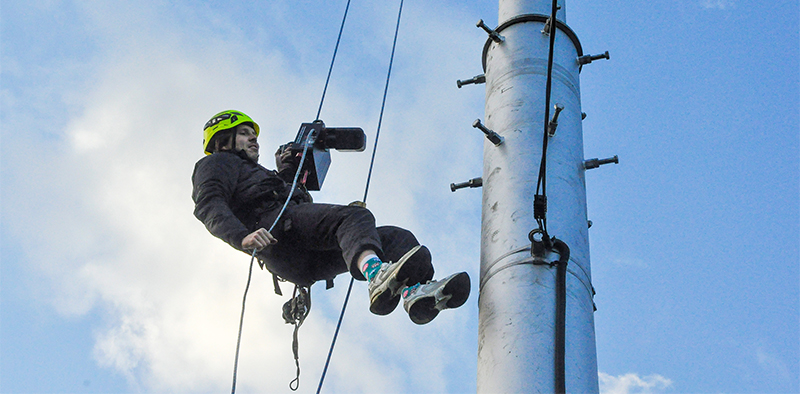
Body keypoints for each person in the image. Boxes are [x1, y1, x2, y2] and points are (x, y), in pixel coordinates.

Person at [192, 110, 470, 324]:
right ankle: (376, 275)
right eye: (243, 133)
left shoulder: (259, 174)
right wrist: (241, 237)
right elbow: (208, 205)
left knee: (395, 238)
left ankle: (415, 293)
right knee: (354, 218)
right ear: (223, 140)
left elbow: (286, 193)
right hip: (277, 231)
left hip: (303, 261)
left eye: (252, 134)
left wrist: (287, 169)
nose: (253, 138)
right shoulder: (217, 163)